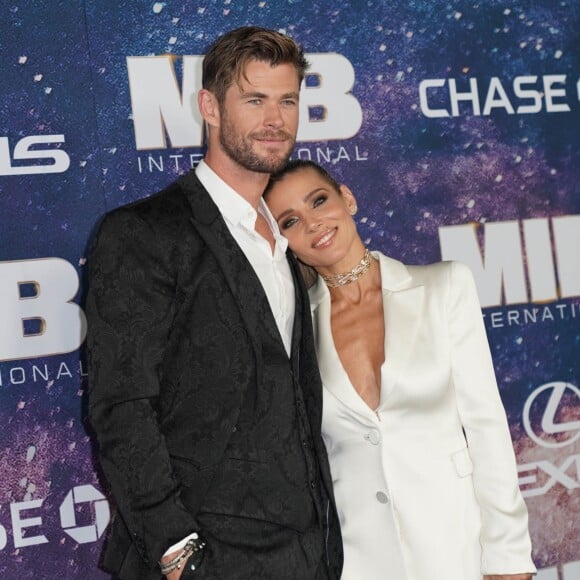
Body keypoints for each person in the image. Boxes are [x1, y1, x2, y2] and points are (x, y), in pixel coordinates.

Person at [86, 29, 342, 580]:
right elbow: (121, 406)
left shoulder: (284, 237)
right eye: (255, 100)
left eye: (287, 100)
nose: (275, 119)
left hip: (305, 550)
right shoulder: (143, 234)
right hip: (209, 554)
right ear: (210, 107)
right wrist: (177, 549)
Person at [264, 159, 537, 580]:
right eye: (290, 221)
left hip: (456, 547)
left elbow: (486, 427)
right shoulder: (294, 332)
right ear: (283, 242)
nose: (313, 223)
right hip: (357, 562)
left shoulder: (444, 286)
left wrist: (508, 555)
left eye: (319, 200)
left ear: (348, 198)